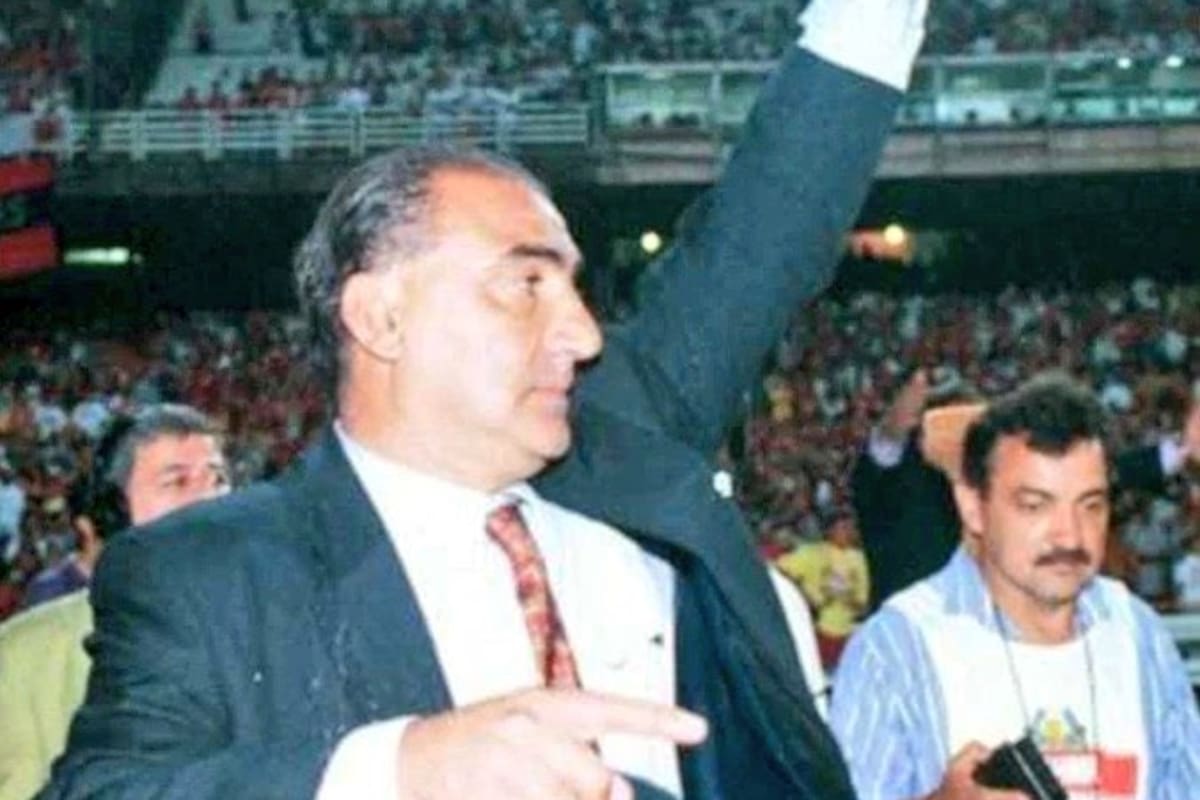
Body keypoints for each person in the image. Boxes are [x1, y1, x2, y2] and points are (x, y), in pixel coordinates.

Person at [41, 2, 928, 798]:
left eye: (572, 287)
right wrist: (401, 770)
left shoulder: (626, 429)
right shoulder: (212, 572)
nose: (583, 333)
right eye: (526, 284)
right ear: (382, 317)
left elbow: (772, 219)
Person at [830, 374, 1200, 800]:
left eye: (1091, 505)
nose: (1069, 536)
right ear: (973, 507)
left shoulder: (1139, 634)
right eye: (1034, 506)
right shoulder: (896, 649)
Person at [0, 405, 229, 800]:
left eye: (219, 479)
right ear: (114, 512)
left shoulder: (280, 632)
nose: (210, 499)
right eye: (176, 481)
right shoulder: (23, 654)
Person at [852, 367, 1200, 611]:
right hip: (911, 643)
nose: (965, 430)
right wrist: (894, 426)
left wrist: (1179, 452)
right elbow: (884, 450)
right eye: (950, 417)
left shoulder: (999, 476)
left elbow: (1087, 476)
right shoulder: (893, 481)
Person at [776, 511, 870, 671]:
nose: (848, 532)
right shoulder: (813, 553)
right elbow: (779, 570)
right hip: (817, 631)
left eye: (851, 528)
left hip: (848, 635)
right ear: (830, 530)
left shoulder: (860, 559)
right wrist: (803, 595)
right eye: (843, 528)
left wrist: (846, 597)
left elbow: (863, 604)